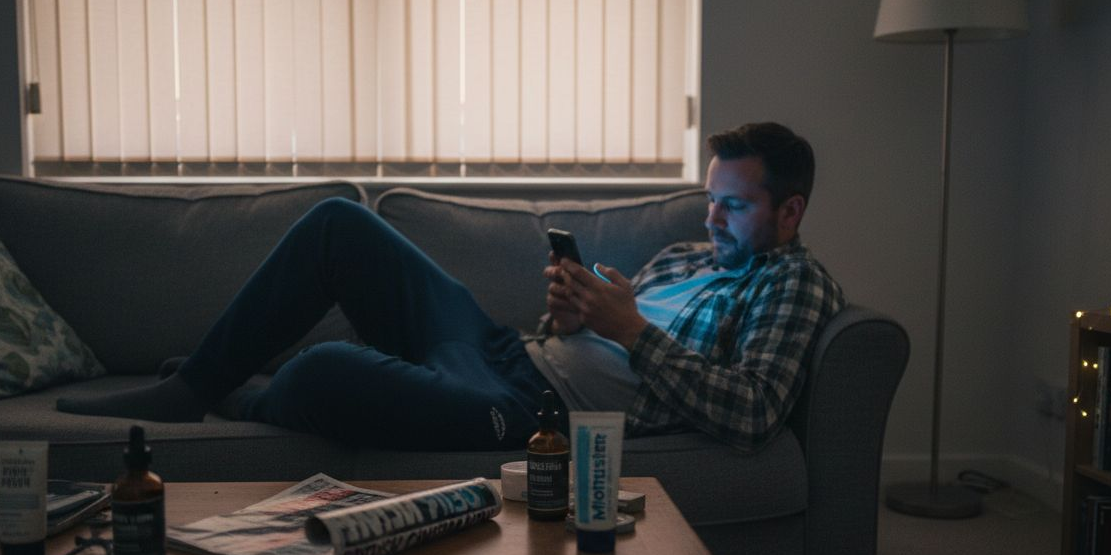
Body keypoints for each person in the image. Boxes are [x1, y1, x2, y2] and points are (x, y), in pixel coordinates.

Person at [57, 122, 845, 452]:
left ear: (790, 211)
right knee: (339, 224)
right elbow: (577, 335)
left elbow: (752, 413)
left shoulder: (795, 286)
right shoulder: (682, 255)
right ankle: (196, 384)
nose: (711, 217)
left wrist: (633, 329)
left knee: (326, 371)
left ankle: (247, 395)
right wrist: (572, 312)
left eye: (734, 205)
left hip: (539, 417)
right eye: (710, 197)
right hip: (505, 351)